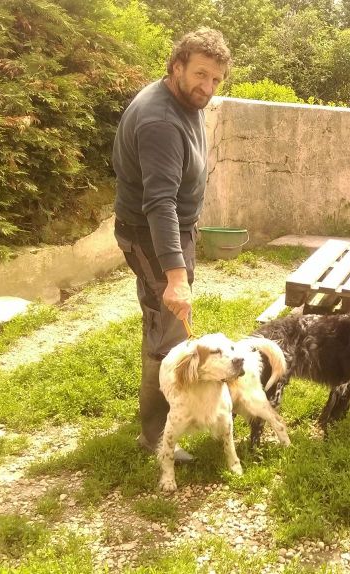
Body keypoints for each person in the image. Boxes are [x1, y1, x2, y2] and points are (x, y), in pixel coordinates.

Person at [111, 28, 232, 461]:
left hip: (173, 229)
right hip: (152, 232)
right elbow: (159, 201)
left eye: (217, 80)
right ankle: (154, 434)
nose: (208, 87)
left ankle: (161, 414)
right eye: (201, 74)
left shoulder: (187, 101)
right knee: (167, 328)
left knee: (167, 324)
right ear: (175, 66)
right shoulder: (160, 120)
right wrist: (176, 276)